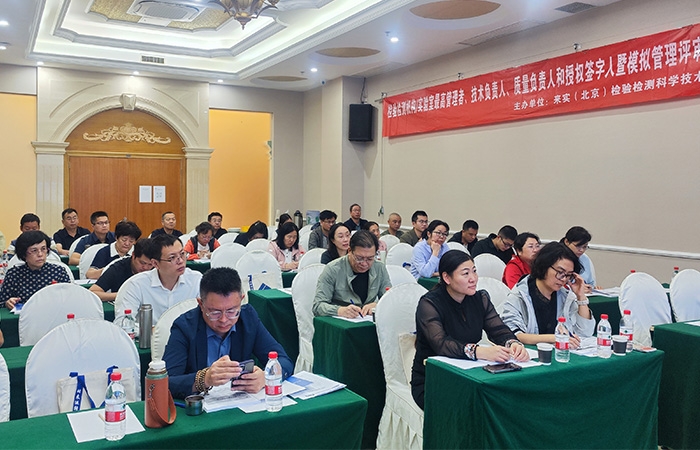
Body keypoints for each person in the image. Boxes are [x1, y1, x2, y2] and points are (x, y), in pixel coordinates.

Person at [410, 250, 530, 409]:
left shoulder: (480, 299)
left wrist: (513, 343)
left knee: (506, 399)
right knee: (477, 406)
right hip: (434, 379)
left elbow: (499, 330)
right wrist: (479, 351)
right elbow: (441, 344)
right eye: (465, 274)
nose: (473, 278)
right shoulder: (429, 304)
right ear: (447, 278)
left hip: (471, 374)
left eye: (474, 271)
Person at [163, 267, 294, 399]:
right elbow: (165, 383)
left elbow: (283, 361)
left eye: (231, 311)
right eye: (215, 312)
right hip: (199, 406)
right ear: (201, 305)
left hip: (239, 403)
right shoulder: (184, 327)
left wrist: (265, 377)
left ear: (241, 301)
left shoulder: (248, 319)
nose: (224, 320)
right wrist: (204, 379)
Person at [500, 242, 595, 349]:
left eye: (568, 275)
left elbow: (585, 332)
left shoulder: (565, 296)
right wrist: (554, 338)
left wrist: (580, 296)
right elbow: (513, 334)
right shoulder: (519, 295)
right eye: (560, 272)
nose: (564, 279)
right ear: (544, 266)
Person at [115, 234, 202, 325]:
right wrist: (152, 330)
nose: (180, 261)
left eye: (182, 254)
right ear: (155, 264)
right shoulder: (136, 285)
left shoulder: (196, 280)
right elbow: (122, 323)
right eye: (172, 258)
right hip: (148, 334)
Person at [313, 231, 392, 318]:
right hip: (341, 322)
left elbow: (390, 299)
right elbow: (318, 306)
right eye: (359, 258)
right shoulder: (333, 269)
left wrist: (377, 305)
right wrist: (340, 310)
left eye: (370, 258)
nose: (364, 264)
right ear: (350, 251)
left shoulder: (379, 268)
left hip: (368, 320)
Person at [0, 231, 71, 309]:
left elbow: (70, 298)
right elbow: (2, 302)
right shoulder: (13, 274)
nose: (40, 254)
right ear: (23, 253)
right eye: (34, 250)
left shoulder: (58, 272)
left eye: (43, 249)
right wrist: (7, 303)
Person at [90, 238, 154, 302]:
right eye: (142, 263)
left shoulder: (156, 269)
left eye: (150, 264)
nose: (146, 268)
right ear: (133, 255)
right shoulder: (117, 268)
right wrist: (122, 295)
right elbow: (93, 292)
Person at [561, 226, 597, 292]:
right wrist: (576, 289)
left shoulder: (585, 259)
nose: (581, 250)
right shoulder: (557, 258)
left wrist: (592, 288)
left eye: (584, 247)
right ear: (566, 242)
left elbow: (591, 283)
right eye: (578, 246)